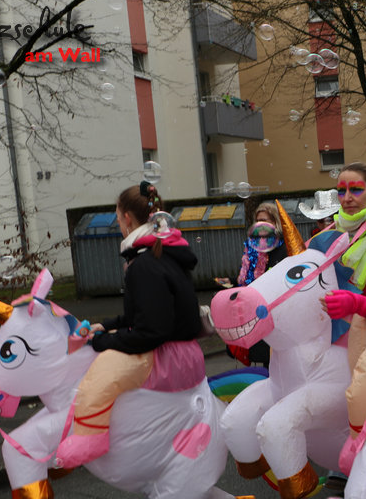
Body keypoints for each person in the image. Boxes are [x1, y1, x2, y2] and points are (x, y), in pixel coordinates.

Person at [56, 183, 205, 467]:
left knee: (100, 375)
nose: (118, 225)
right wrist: (108, 326)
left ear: (127, 218)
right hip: (184, 352)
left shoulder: (145, 264)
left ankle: (90, 438)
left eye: (117, 218)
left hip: (168, 358)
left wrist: (102, 342)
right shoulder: (163, 254)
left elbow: (150, 331)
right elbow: (147, 314)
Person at [319, 163, 366, 325]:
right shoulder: (331, 235)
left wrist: (359, 305)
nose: (346, 198)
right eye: (341, 191)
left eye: (355, 189)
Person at [231, 202, 289, 367]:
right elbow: (246, 279)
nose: (260, 224)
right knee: (266, 362)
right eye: (257, 220)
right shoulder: (253, 250)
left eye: (264, 220)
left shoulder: (284, 248)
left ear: (275, 222)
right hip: (257, 312)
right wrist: (232, 282)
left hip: (278, 314)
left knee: (279, 361)